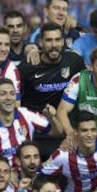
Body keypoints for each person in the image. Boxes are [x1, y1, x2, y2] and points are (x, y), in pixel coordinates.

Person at [0, 78, 63, 173]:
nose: (9, 98)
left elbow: (58, 133)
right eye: (3, 94)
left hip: (27, 176)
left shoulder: (26, 114)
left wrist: (51, 118)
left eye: (12, 94)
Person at [19, 22, 86, 160]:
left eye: (57, 39)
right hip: (37, 132)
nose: (54, 44)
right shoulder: (27, 68)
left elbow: (92, 76)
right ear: (41, 43)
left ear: (63, 42)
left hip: (65, 127)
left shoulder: (74, 61)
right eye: (49, 40)